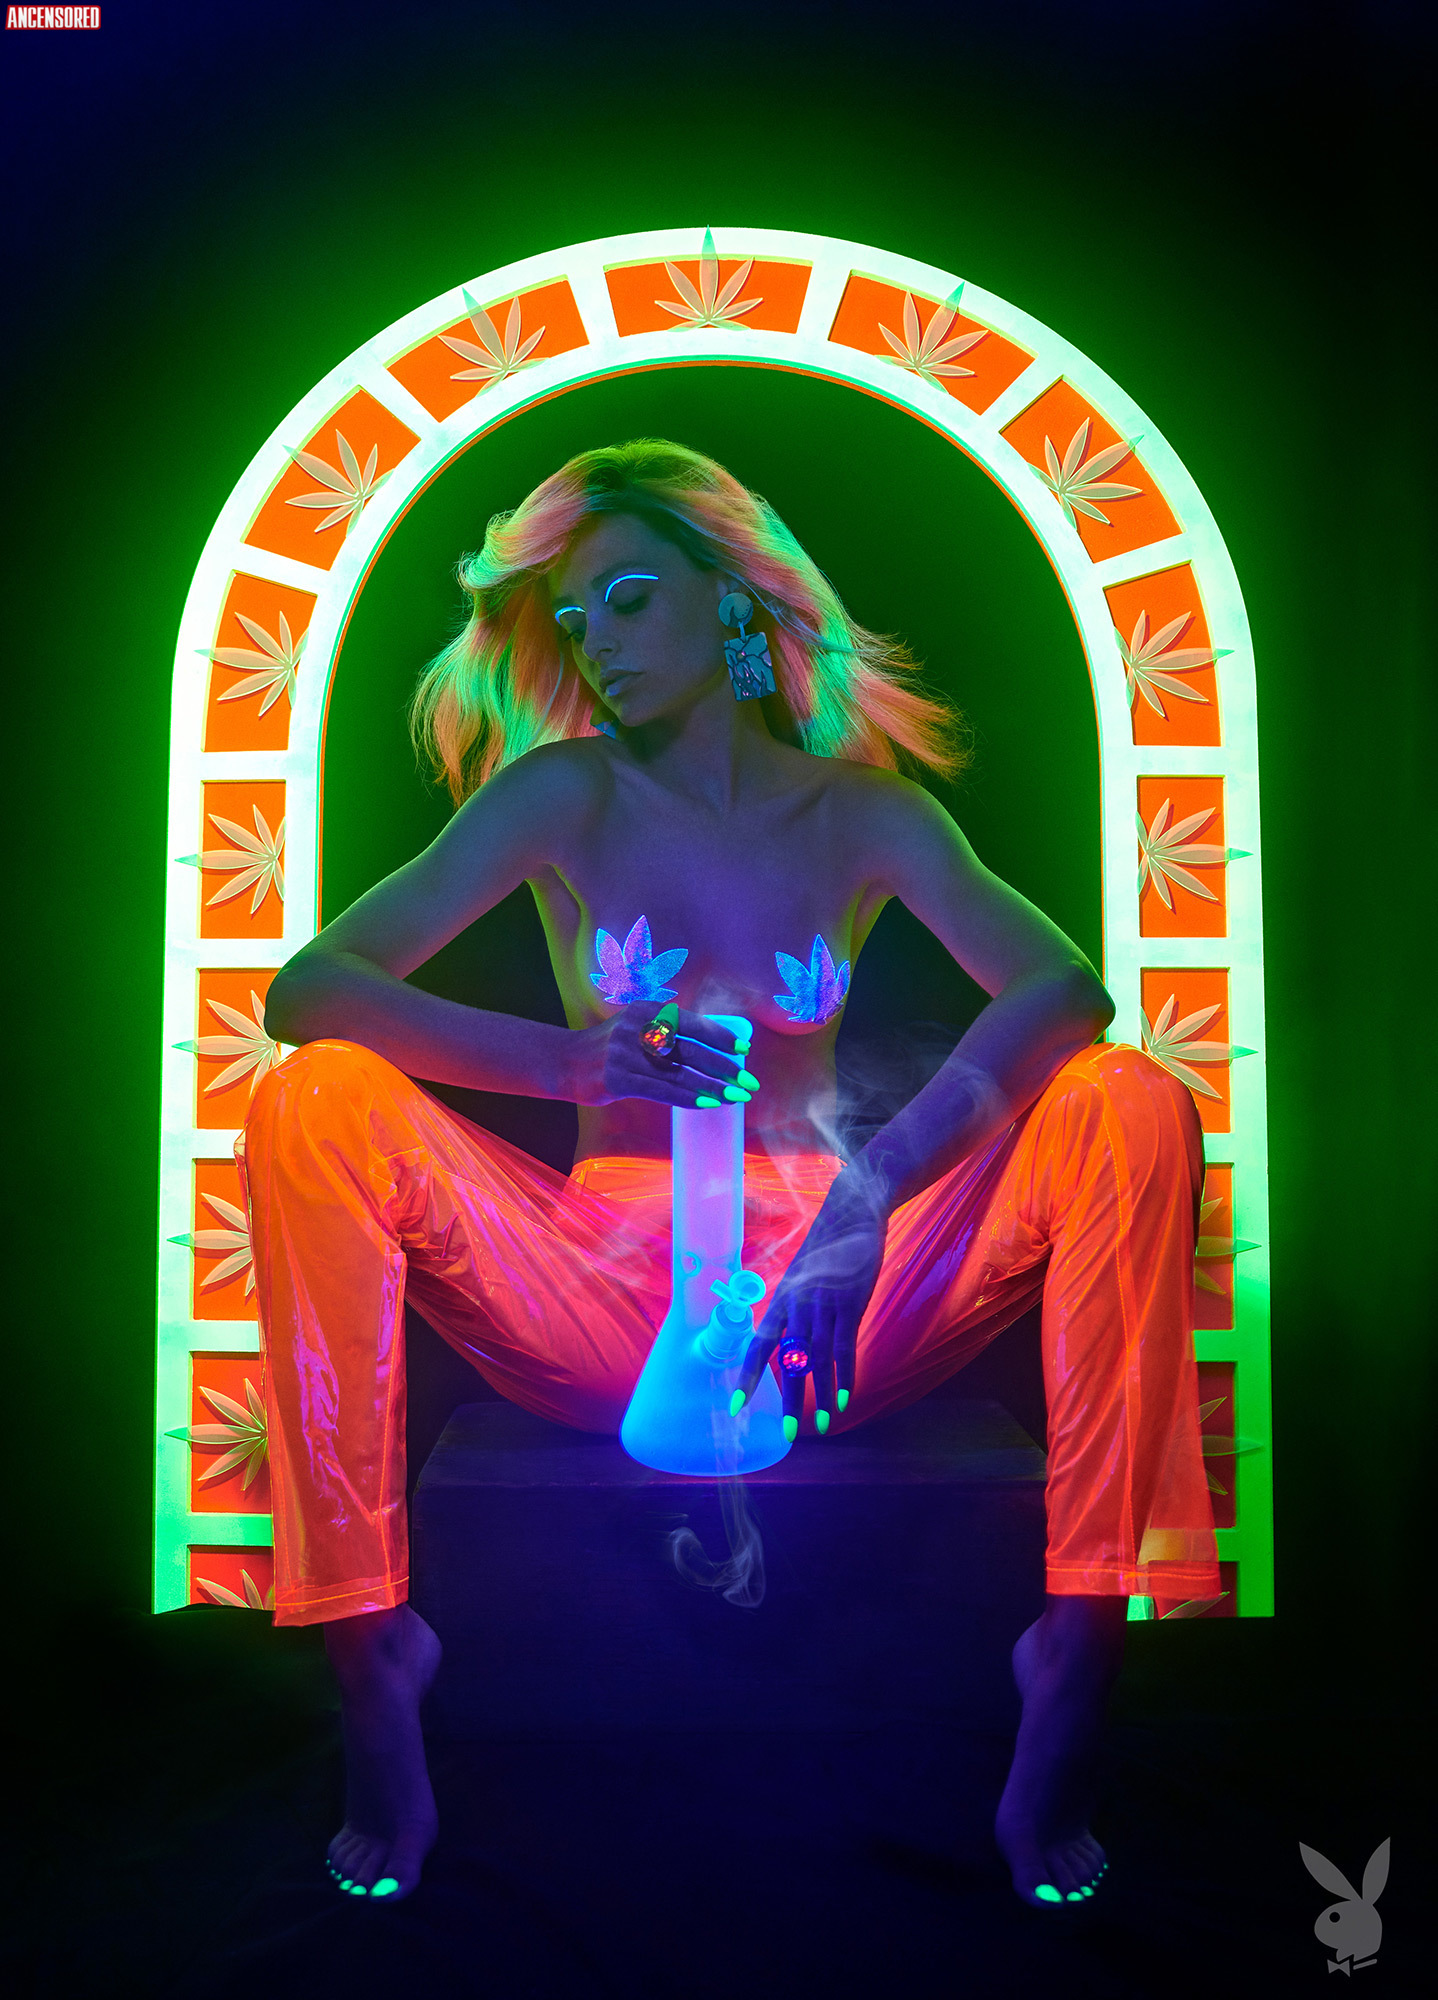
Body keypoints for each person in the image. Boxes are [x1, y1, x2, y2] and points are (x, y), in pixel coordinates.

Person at [246, 438, 1219, 1910]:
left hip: (836, 1308)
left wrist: (865, 1197)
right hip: (602, 1300)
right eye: (575, 617)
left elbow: (1062, 989)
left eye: (629, 597)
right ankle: (368, 1645)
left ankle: (1080, 1634)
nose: (597, 639)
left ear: (735, 601)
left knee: (1128, 1098)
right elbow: (311, 988)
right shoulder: (560, 795)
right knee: (311, 1095)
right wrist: (572, 1063)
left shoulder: (866, 812)